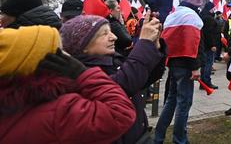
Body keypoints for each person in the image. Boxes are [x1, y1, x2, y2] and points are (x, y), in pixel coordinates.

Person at [0, 25, 136, 143]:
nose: (67, 55)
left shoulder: (16, 100)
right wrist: (84, 73)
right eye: (59, 52)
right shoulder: (58, 110)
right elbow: (119, 114)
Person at [60, 13, 166, 144]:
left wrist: (154, 48)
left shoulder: (112, 60)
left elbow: (141, 79)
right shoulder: (80, 74)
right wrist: (144, 44)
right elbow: (121, 86)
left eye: (110, 31)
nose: (114, 37)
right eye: (104, 34)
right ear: (83, 45)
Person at [153, 0, 206, 144]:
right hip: (186, 65)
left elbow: (167, 41)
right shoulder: (190, 15)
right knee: (184, 103)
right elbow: (192, 43)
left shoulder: (174, 14)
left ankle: (158, 137)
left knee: (171, 101)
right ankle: (180, 140)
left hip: (175, 63)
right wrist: (195, 67)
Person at [199, 1, 219, 90]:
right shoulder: (208, 18)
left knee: (204, 64)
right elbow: (209, 33)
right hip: (208, 45)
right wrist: (212, 45)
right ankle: (206, 82)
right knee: (208, 64)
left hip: (203, 44)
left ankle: (203, 83)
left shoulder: (202, 16)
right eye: (213, 8)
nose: (214, 10)